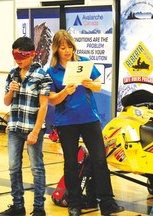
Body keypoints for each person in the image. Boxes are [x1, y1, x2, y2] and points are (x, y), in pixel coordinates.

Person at [46, 29, 125, 216]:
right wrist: (65, 92)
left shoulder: (83, 62)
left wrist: (90, 84)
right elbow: (52, 100)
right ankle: (74, 203)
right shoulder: (51, 71)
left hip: (89, 119)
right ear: (56, 49)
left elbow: (98, 85)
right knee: (71, 163)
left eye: (69, 46)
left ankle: (107, 202)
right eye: (62, 47)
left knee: (99, 160)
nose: (67, 50)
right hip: (66, 122)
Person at [0, 36, 53, 216]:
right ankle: (18, 205)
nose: (18, 60)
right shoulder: (12, 73)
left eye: (22, 56)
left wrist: (35, 132)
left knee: (36, 168)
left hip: (32, 128)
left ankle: (39, 208)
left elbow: (44, 106)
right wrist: (11, 90)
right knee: (13, 167)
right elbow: (6, 102)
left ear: (31, 55)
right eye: (15, 56)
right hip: (14, 128)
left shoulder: (42, 76)